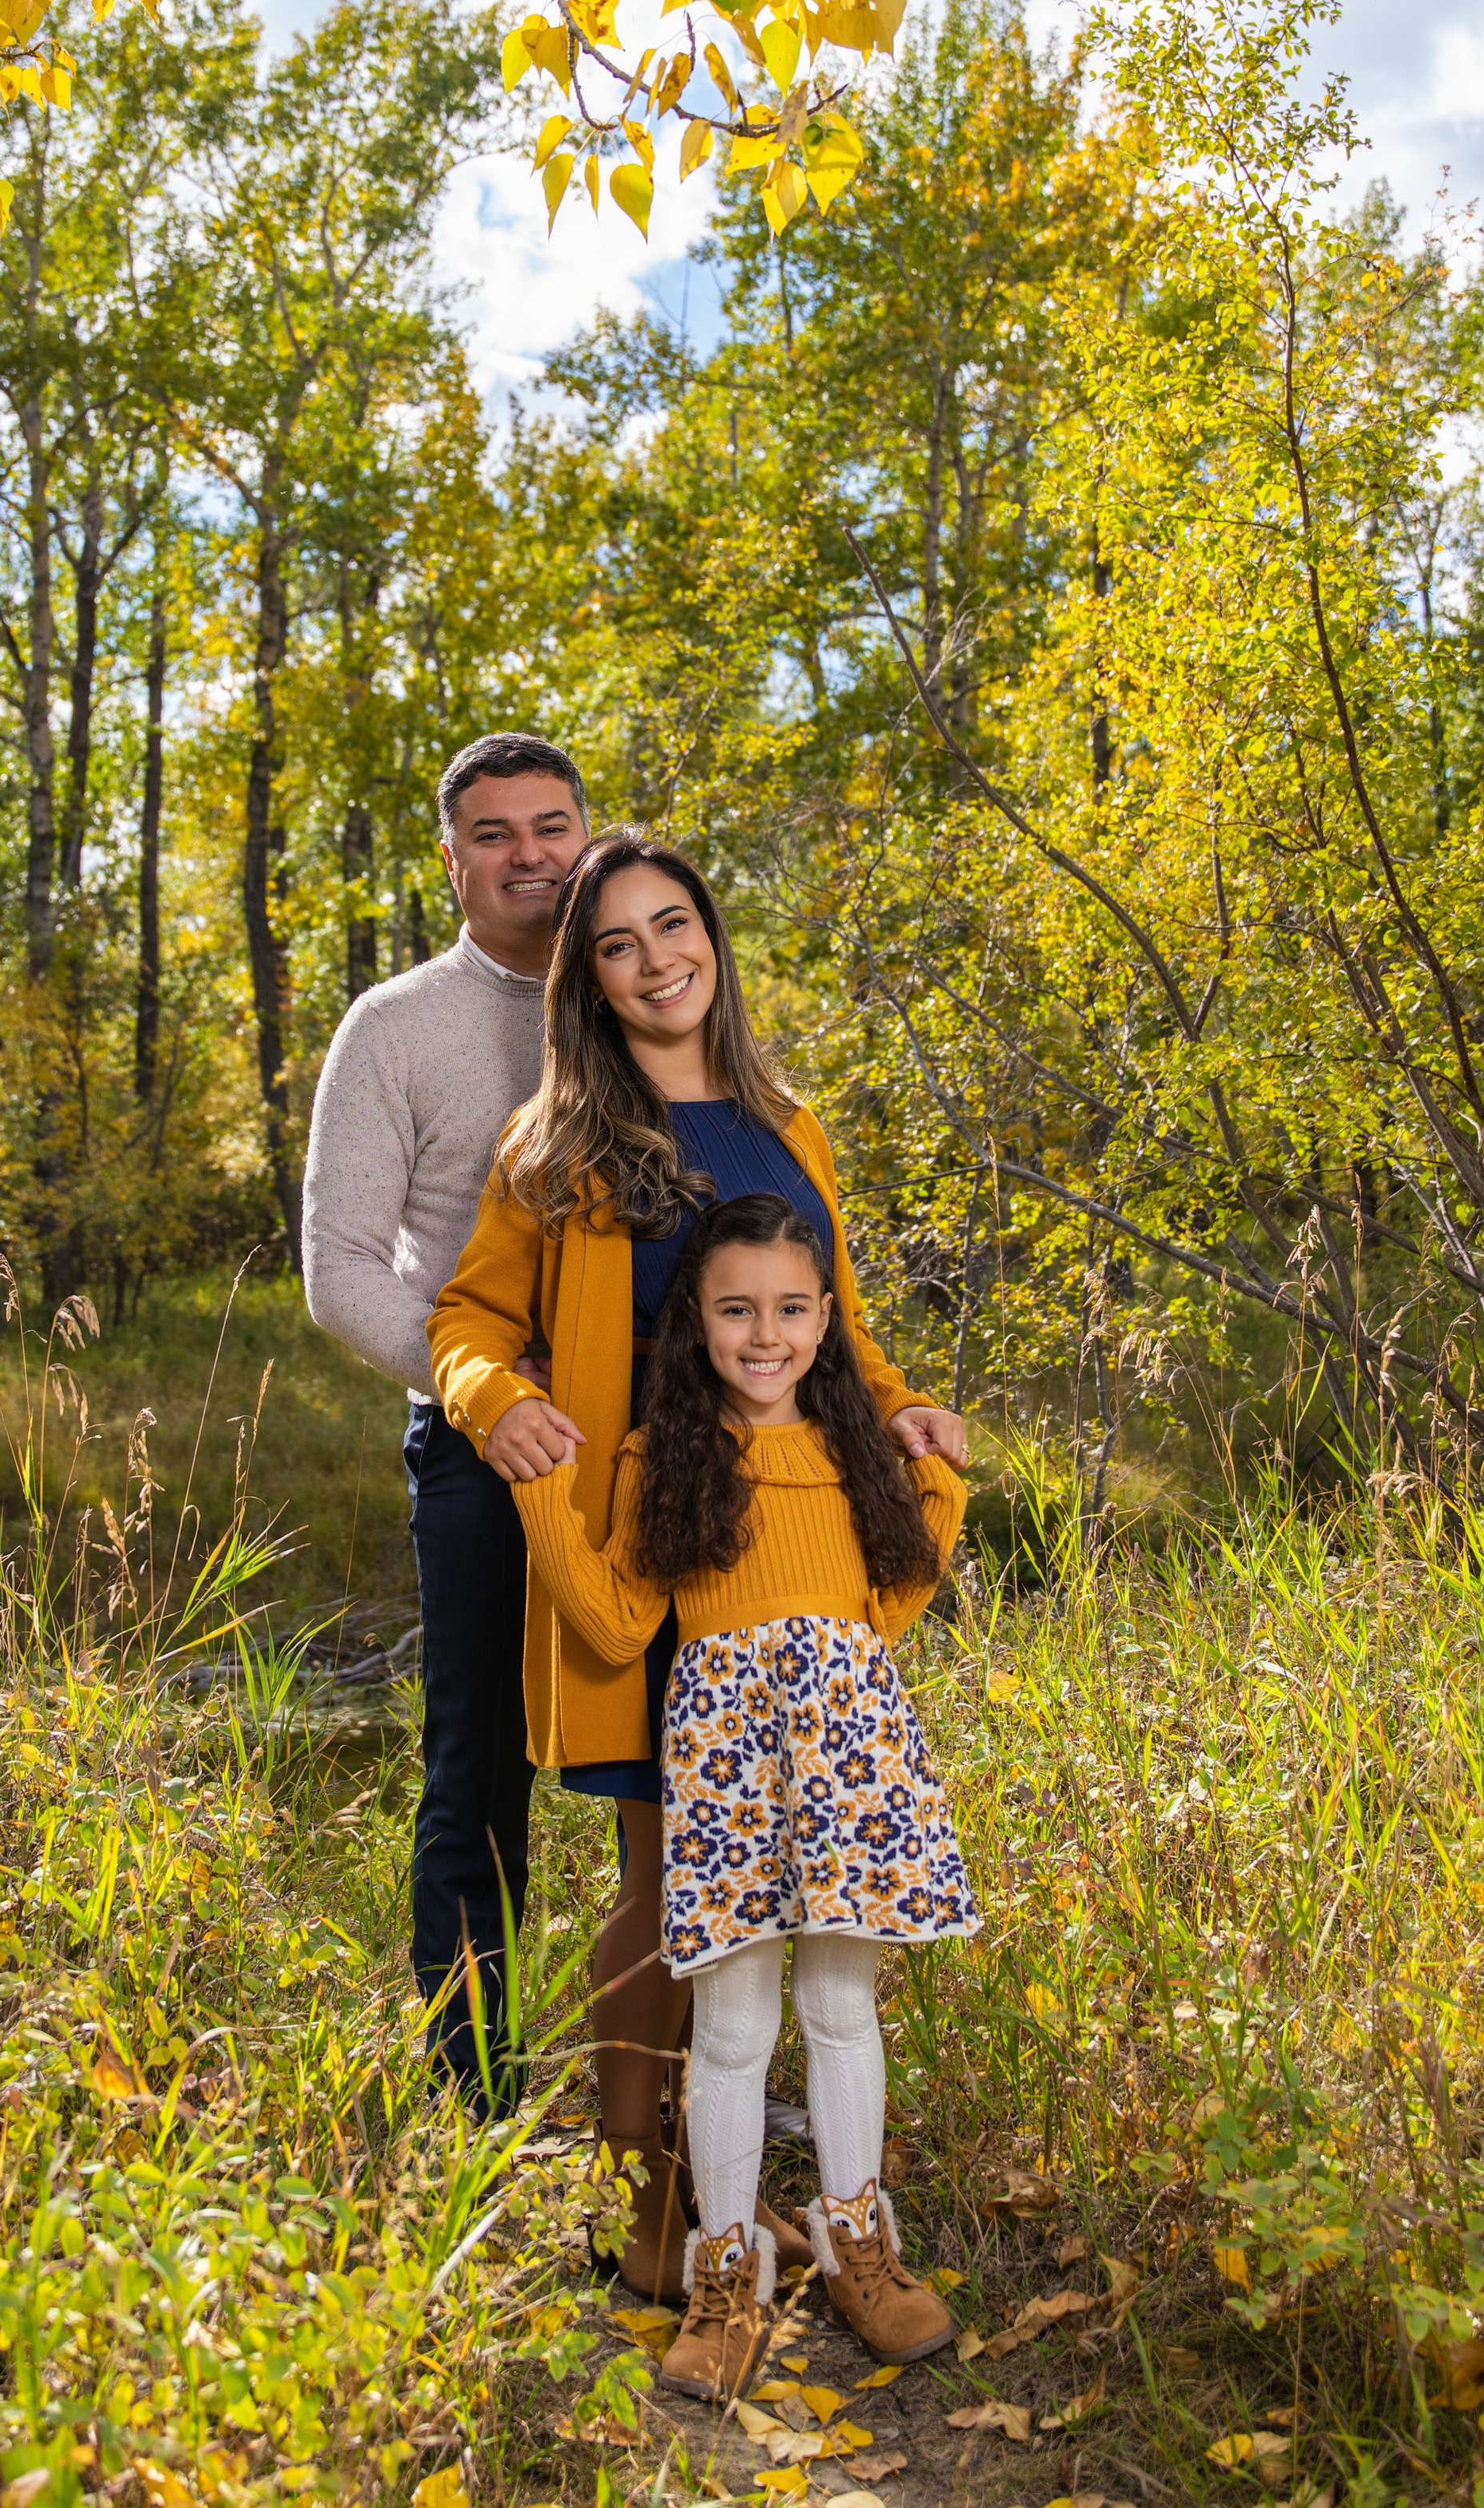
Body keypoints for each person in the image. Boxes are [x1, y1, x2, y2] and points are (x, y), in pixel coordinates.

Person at [429, 830, 967, 2291]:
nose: (656, 959)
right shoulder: (557, 1143)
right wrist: (497, 1401)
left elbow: (835, 1326)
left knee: (785, 1876)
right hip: (646, 1524)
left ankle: (751, 2184)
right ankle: (645, 2186)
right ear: (589, 981)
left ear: (711, 938)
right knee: (665, 1866)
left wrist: (900, 1407)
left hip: (785, 1534)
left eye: (675, 926)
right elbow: (468, 1321)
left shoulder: (788, 1123)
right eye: (618, 943)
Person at [508, 1191, 978, 2401]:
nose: (765, 1336)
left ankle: (858, 2245)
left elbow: (886, 1606)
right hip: (725, 1761)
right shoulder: (664, 1459)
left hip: (850, 1751)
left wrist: (940, 1484)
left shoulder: (853, 1452)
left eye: (790, 1309)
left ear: (824, 1321)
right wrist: (542, 1501)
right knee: (729, 2023)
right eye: (735, 1310)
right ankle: (725, 2275)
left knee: (840, 2006)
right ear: (696, 1322)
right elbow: (618, 1626)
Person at [302, 730, 591, 2109]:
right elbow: (340, 1271)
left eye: (551, 826)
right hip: (483, 1451)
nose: (530, 855)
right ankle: (480, 2098)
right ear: (453, 858)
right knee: (478, 1775)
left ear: (586, 834)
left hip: (665, 1440)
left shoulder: (649, 986)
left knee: (694, 1758)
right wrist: (486, 1392)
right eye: (496, 833)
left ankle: (677, 2086)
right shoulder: (396, 1026)